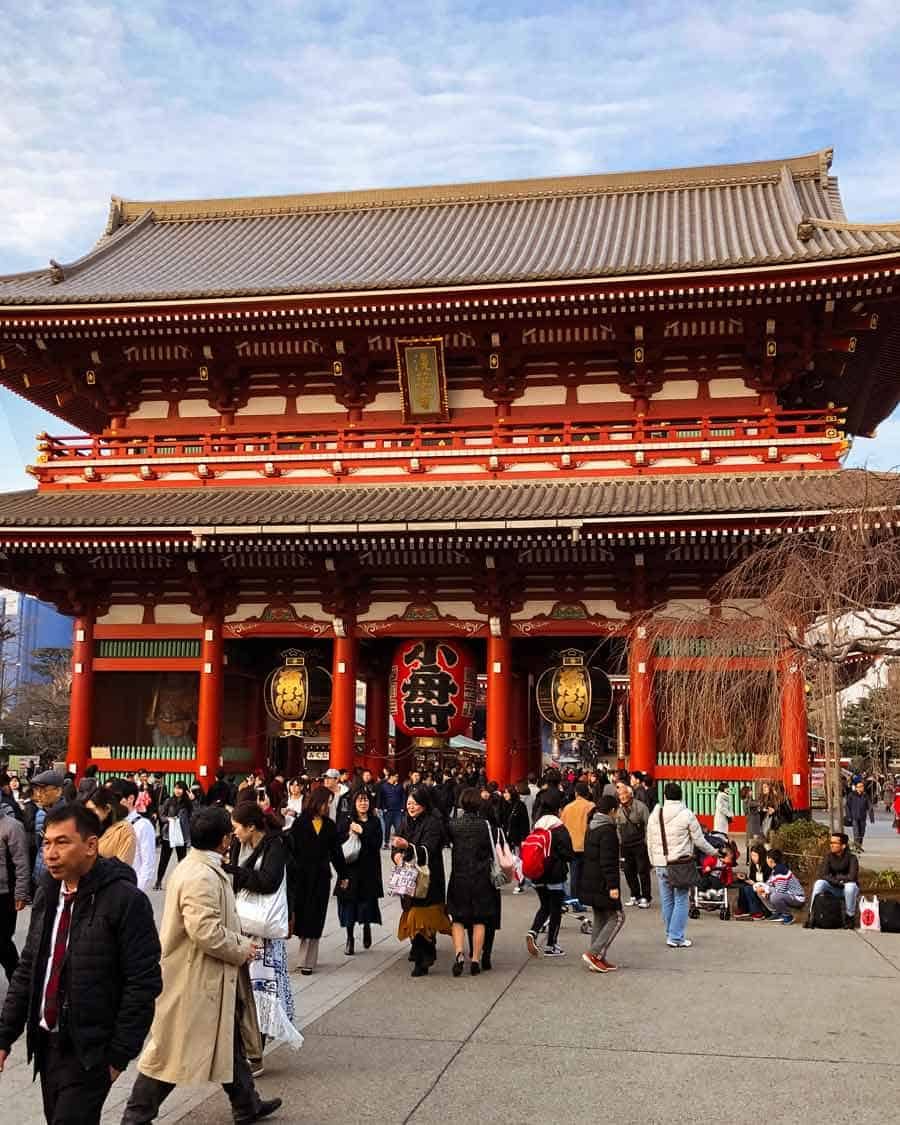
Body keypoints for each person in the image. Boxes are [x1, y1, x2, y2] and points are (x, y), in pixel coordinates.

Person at [0, 803, 162, 1125]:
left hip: (90, 1049)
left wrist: (118, 1055)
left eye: (62, 842)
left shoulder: (125, 901)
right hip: (47, 1042)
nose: (50, 853)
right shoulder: (48, 890)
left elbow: (143, 983)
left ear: (91, 845)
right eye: (46, 843)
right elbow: (31, 964)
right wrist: (6, 1033)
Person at [121, 806, 280, 1124]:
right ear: (223, 839)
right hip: (194, 977)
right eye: (230, 833)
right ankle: (136, 1116)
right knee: (170, 1051)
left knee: (227, 1038)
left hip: (208, 975)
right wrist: (241, 948)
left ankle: (246, 1103)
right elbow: (204, 930)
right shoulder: (200, 875)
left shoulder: (200, 866)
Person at [227, 801, 302, 1071]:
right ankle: (246, 1049)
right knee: (243, 992)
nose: (233, 833)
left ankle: (255, 1052)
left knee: (261, 991)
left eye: (237, 828)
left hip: (265, 933)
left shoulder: (276, 845)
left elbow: (269, 882)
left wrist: (232, 872)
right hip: (242, 927)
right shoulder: (238, 845)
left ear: (251, 826)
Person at [646, 782, 720, 949]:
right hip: (679, 864)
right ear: (681, 796)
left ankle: (670, 933)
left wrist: (653, 860)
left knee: (667, 900)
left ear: (664, 796)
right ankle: (676, 936)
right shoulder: (687, 814)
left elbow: (649, 840)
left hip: (660, 863)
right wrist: (714, 852)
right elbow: (699, 841)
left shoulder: (655, 814)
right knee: (681, 899)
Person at [391, 784, 451, 977]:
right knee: (411, 915)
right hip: (407, 878)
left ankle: (423, 959)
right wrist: (396, 856)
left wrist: (407, 846)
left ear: (424, 804)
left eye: (415, 803)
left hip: (428, 879)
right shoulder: (405, 822)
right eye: (409, 803)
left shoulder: (433, 823)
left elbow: (428, 850)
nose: (412, 807)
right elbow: (396, 847)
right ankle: (420, 950)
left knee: (423, 918)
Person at [287, 786, 341, 974]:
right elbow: (291, 851)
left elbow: (336, 853)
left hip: (321, 877)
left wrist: (343, 874)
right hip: (301, 877)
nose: (328, 807)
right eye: (326, 803)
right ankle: (305, 956)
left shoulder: (330, 825)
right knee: (303, 916)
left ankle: (308, 961)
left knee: (316, 916)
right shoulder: (300, 823)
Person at [446, 788, 497, 977]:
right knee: (479, 919)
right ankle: (475, 959)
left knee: (457, 918)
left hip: (459, 877)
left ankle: (459, 954)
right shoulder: (486, 826)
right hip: (481, 877)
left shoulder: (454, 825)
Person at [525, 787, 575, 959]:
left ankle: (533, 931)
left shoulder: (537, 825)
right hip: (555, 875)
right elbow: (568, 853)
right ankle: (551, 945)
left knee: (544, 906)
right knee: (555, 909)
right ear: (557, 809)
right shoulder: (558, 827)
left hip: (537, 873)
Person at [335, 789, 383, 955]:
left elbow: (377, 843)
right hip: (350, 869)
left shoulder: (375, 821)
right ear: (354, 803)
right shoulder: (346, 820)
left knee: (366, 903)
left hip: (368, 869)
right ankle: (349, 938)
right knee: (349, 903)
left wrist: (363, 832)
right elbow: (338, 843)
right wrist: (349, 834)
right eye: (360, 800)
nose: (363, 803)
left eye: (366, 800)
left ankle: (367, 926)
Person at [580, 794, 625, 972]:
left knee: (600, 916)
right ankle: (594, 953)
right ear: (612, 811)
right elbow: (608, 862)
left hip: (591, 879)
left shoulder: (592, 827)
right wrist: (613, 886)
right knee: (618, 917)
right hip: (603, 882)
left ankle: (598, 958)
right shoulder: (608, 831)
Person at [108, 778, 157, 892]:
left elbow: (148, 864)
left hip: (130, 889)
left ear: (130, 799)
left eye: (116, 799)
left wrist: (135, 891)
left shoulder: (143, 826)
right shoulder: (109, 823)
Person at [0, 799, 29, 981]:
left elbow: (21, 864)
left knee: (2, 943)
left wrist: (21, 892)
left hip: (5, 895)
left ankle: (19, 984)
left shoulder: (12, 827)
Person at [807, 832, 860, 929]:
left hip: (847, 889)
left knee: (850, 887)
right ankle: (811, 915)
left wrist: (839, 878)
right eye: (831, 842)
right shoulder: (828, 856)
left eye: (834, 843)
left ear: (843, 846)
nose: (831, 845)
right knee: (819, 883)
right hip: (834, 887)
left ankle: (850, 917)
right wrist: (837, 881)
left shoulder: (852, 858)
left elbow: (852, 877)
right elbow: (823, 874)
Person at [28, 770, 67, 892]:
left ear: (58, 791)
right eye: (37, 790)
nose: (39, 794)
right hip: (39, 875)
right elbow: (40, 845)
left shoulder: (68, 815)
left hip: (57, 878)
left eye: (44, 790)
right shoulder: (40, 813)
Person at [615, 779, 652, 908]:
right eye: (620, 794)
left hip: (640, 843)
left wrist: (647, 841)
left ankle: (646, 897)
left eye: (625, 793)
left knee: (643, 870)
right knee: (628, 871)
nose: (623, 796)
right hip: (625, 845)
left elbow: (648, 825)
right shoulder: (617, 810)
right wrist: (619, 841)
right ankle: (634, 895)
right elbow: (617, 827)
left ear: (630, 794)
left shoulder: (641, 807)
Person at [560, 780, 594, 913]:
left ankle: (575, 901)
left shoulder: (568, 808)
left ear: (576, 793)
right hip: (586, 845)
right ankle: (582, 899)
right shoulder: (591, 806)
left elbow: (562, 826)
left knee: (574, 876)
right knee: (584, 875)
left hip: (572, 846)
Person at [84, 786, 137, 867]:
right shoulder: (89, 827)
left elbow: (122, 867)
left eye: (92, 810)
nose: (89, 815)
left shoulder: (124, 830)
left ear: (107, 808)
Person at [154, 780, 192, 890]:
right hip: (168, 834)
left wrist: (193, 800)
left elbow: (195, 815)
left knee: (182, 860)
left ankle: (182, 883)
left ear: (184, 790)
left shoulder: (188, 803)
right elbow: (161, 815)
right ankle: (159, 881)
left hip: (182, 834)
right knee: (164, 859)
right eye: (176, 788)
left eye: (180, 788)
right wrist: (168, 819)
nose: (177, 791)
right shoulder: (169, 801)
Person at [760, 848, 805, 924]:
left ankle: (788, 916)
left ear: (770, 860)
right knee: (760, 891)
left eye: (766, 858)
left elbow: (780, 890)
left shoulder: (781, 871)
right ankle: (777, 913)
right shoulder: (775, 870)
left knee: (774, 896)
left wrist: (767, 889)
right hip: (786, 895)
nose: (766, 860)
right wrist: (762, 887)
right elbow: (769, 883)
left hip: (797, 897)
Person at [733, 842, 771, 919]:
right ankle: (743, 909)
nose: (753, 858)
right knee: (742, 886)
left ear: (761, 856)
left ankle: (757, 911)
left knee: (748, 888)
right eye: (752, 855)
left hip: (764, 888)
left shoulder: (767, 866)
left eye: (755, 855)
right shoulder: (753, 865)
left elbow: (768, 882)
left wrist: (754, 883)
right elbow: (752, 878)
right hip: (755, 885)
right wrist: (745, 878)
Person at [845, 780, 875, 852]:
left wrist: (871, 817)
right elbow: (847, 806)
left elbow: (870, 807)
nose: (861, 788)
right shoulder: (851, 795)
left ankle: (859, 845)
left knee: (862, 832)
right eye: (859, 787)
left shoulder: (865, 796)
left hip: (862, 817)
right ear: (856, 788)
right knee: (856, 832)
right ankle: (856, 846)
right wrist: (848, 816)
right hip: (854, 817)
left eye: (862, 786)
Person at [379, 770, 406, 849]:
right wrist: (383, 808)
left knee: (398, 828)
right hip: (388, 811)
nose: (397, 778)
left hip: (398, 811)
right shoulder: (384, 786)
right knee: (387, 828)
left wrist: (403, 808)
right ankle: (386, 843)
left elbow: (403, 797)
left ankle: (397, 844)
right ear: (391, 777)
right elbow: (381, 798)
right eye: (396, 776)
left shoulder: (400, 786)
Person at [741, 786, 763, 861]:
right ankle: (749, 859)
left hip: (754, 822)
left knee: (753, 840)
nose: (751, 792)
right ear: (746, 792)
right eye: (750, 791)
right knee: (751, 840)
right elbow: (756, 804)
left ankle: (751, 858)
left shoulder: (749, 800)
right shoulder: (747, 801)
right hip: (751, 823)